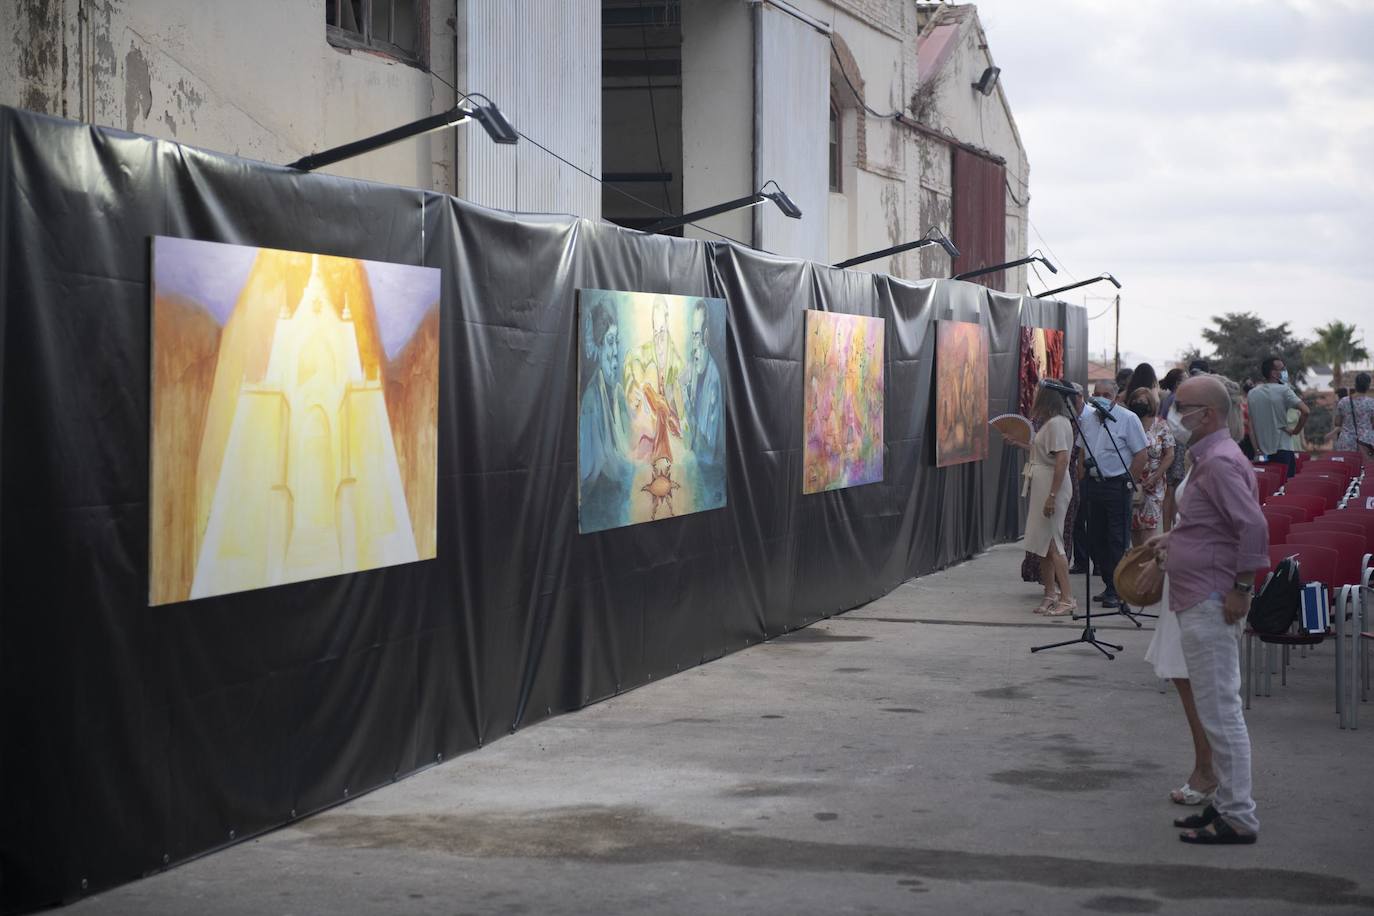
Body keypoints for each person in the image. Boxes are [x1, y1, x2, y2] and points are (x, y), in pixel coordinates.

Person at [1140, 374, 1268, 844]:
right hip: (1198, 591)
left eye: (1184, 406)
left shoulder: (1218, 463)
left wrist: (1241, 588)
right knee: (1216, 710)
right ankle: (1224, 805)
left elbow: (1252, 528)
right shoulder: (1210, 459)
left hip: (1212, 598)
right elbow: (1211, 525)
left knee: (1220, 711)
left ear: (1208, 415)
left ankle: (1239, 816)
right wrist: (1174, 538)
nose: (1175, 412)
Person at [1077, 379, 1148, 609]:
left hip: (1117, 485)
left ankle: (1117, 589)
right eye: (1096, 393)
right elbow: (1080, 451)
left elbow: (1140, 454)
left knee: (1116, 539)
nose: (1100, 397)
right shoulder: (1086, 418)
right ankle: (1109, 583)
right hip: (1092, 484)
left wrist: (1130, 482)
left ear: (1116, 398)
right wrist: (1080, 480)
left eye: (1106, 394)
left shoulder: (1128, 419)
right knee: (1096, 538)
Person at [1016, 383, 1077, 615]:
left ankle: (1067, 598)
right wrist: (1019, 442)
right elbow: (1043, 452)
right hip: (1044, 484)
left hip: (1053, 486)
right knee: (1042, 543)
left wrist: (1052, 495)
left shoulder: (1058, 424)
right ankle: (1050, 594)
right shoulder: (1051, 424)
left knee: (1053, 542)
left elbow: (1062, 460)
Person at [579, 303, 634, 530]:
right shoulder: (592, 400)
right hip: (601, 518)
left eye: (617, 342)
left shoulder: (618, 393)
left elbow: (630, 445)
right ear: (600, 347)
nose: (615, 352)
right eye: (610, 342)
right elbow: (591, 477)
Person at [1246, 356, 1308, 476]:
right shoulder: (1284, 390)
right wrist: (1295, 431)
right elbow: (1306, 411)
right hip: (1283, 448)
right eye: (1282, 369)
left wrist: (1256, 450)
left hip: (1262, 451)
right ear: (1274, 373)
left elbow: (1251, 425)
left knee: (1267, 488)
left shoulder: (1252, 393)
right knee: (1284, 488)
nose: (1285, 372)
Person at [1128, 388, 1174, 545]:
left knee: (1149, 527)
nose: (1138, 405)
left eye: (1142, 402)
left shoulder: (1161, 425)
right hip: (1132, 482)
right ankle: (1137, 565)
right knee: (1134, 528)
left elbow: (1169, 455)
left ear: (1150, 404)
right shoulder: (1129, 423)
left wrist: (1155, 477)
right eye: (1135, 401)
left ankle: (1148, 565)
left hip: (1154, 484)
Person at [1159, 368, 1187, 531]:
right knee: (1172, 488)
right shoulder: (1177, 399)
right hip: (1177, 445)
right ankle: (1170, 528)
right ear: (1178, 383)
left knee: (1171, 486)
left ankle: (1169, 528)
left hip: (1171, 443)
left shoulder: (1169, 398)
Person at [1332, 372, 1374, 457]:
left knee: (1347, 467)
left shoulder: (1343, 401)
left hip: (1346, 442)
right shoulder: (1371, 403)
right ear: (1368, 386)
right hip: (1366, 442)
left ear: (1355, 385)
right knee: (1365, 467)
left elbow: (1337, 422)